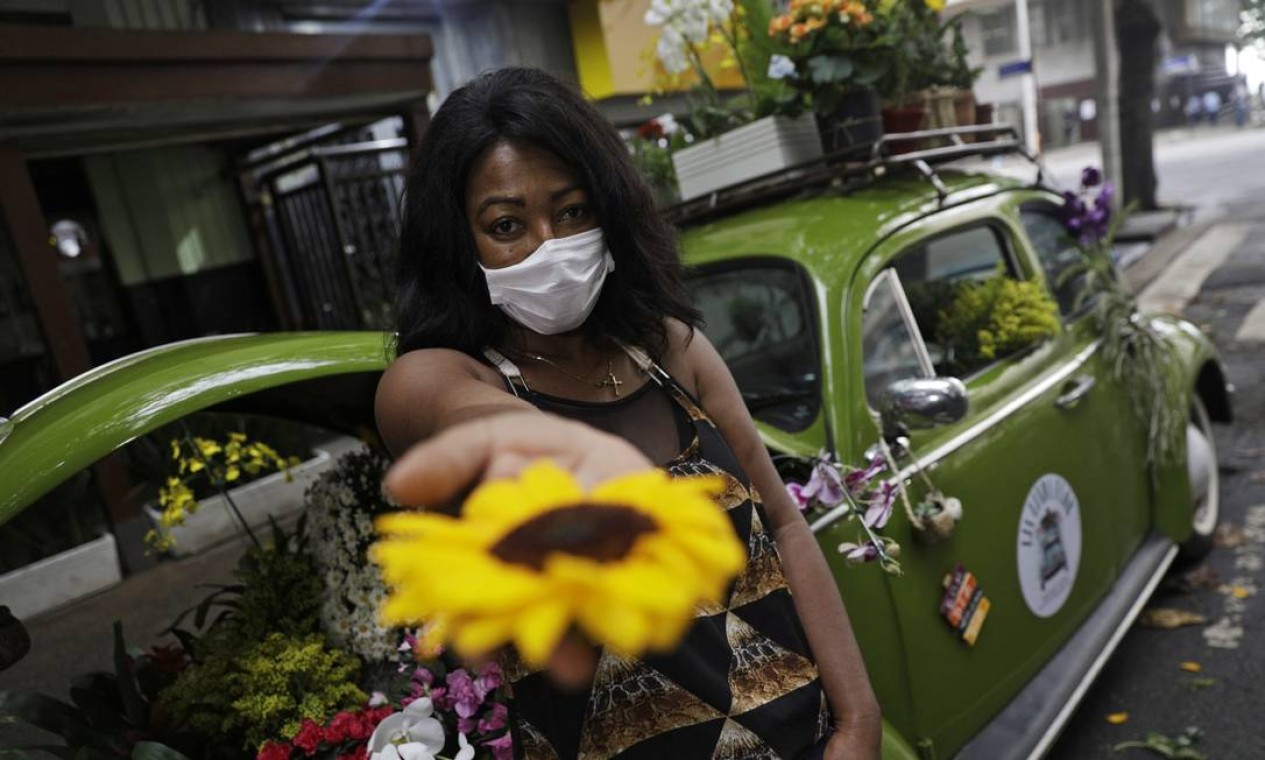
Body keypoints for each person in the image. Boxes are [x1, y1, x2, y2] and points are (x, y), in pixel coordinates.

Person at [375, 67, 881, 760]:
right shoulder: (435, 376)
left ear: (610, 210)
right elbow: (462, 416)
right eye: (506, 225)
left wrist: (857, 722)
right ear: (460, 244)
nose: (547, 243)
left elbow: (786, 525)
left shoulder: (672, 351)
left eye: (573, 211)